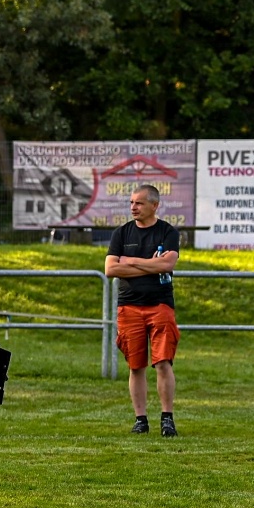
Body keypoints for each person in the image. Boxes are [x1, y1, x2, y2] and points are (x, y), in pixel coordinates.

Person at [105, 184, 180, 437]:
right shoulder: (122, 233)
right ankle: (141, 420)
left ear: (154, 205)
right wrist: (151, 265)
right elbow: (111, 269)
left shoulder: (167, 232)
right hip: (129, 306)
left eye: (139, 203)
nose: (133, 207)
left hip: (160, 305)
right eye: (131, 203)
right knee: (135, 366)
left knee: (163, 363)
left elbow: (167, 265)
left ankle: (167, 418)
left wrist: (132, 262)